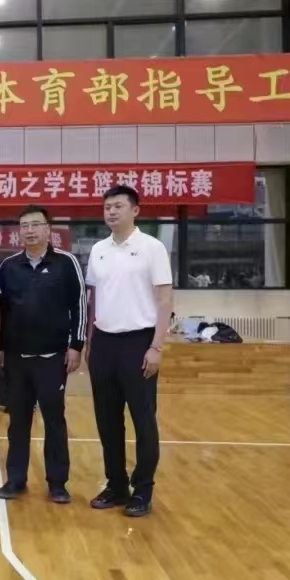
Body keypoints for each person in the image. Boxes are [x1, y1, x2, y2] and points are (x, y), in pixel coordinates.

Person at [86, 185, 173, 518]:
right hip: (104, 343)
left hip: (139, 342)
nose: (111, 211)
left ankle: (143, 489)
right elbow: (95, 299)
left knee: (143, 420)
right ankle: (116, 485)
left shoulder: (152, 247)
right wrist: (91, 343)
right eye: (107, 206)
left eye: (118, 206)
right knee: (107, 421)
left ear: (135, 210)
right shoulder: (98, 249)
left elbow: (165, 300)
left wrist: (156, 346)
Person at [0, 206, 85, 504]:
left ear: (49, 229)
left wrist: (77, 345)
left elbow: (80, 305)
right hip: (16, 359)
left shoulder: (66, 263)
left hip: (53, 358)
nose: (30, 231)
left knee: (54, 421)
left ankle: (57, 483)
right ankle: (15, 480)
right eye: (24, 226)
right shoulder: (8, 266)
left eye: (36, 225)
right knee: (18, 422)